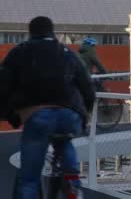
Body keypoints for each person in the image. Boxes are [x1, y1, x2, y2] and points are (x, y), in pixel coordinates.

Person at [0, 16, 95, 199]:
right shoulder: (67, 52)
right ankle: (72, 181)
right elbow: (87, 86)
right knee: (65, 139)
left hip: (38, 115)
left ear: (31, 32)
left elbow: (3, 87)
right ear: (53, 32)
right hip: (70, 113)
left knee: (29, 179)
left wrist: (10, 114)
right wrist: (85, 114)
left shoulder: (19, 52)